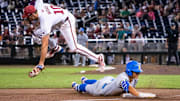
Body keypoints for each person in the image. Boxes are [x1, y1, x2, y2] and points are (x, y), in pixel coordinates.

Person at [23, 0, 105, 77]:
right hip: (57, 20)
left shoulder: (45, 21)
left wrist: (41, 64)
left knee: (74, 48)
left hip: (66, 21)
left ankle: (98, 58)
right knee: (36, 33)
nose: (27, 18)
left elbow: (45, 44)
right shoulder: (38, 6)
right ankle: (55, 48)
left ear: (32, 14)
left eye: (27, 16)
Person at [72, 61, 156, 98]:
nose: (138, 74)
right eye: (137, 72)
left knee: (98, 81)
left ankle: (85, 80)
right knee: (89, 87)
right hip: (101, 89)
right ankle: (77, 86)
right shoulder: (122, 78)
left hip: (110, 82)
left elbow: (127, 91)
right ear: (130, 71)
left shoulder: (134, 79)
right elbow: (129, 88)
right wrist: (141, 95)